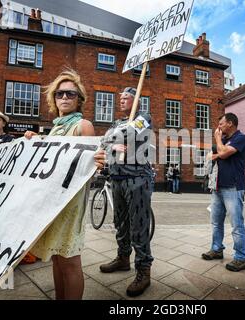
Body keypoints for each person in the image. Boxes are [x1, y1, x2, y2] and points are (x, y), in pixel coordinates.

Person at [24, 69, 105, 299]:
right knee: (56, 257)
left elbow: (89, 167)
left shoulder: (83, 126)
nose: (65, 98)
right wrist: (33, 142)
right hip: (51, 202)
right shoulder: (55, 129)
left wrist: (99, 162)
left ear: (79, 99)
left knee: (69, 261)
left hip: (70, 204)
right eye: (60, 94)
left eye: (71, 93)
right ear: (54, 98)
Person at [98, 87, 154, 297]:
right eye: (120, 97)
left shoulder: (144, 118)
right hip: (117, 179)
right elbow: (103, 143)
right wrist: (112, 145)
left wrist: (112, 140)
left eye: (126, 97)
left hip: (137, 179)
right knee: (120, 223)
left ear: (136, 101)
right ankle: (123, 258)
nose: (121, 100)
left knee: (139, 226)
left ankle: (143, 271)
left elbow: (128, 134)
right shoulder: (116, 122)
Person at [201, 113, 245, 273]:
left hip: (233, 188)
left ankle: (241, 258)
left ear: (230, 123)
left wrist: (217, 141)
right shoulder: (225, 140)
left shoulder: (240, 138)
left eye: (221, 123)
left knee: (236, 224)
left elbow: (222, 154)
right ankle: (216, 249)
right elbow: (212, 156)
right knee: (216, 222)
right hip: (217, 186)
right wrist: (218, 152)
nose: (219, 127)